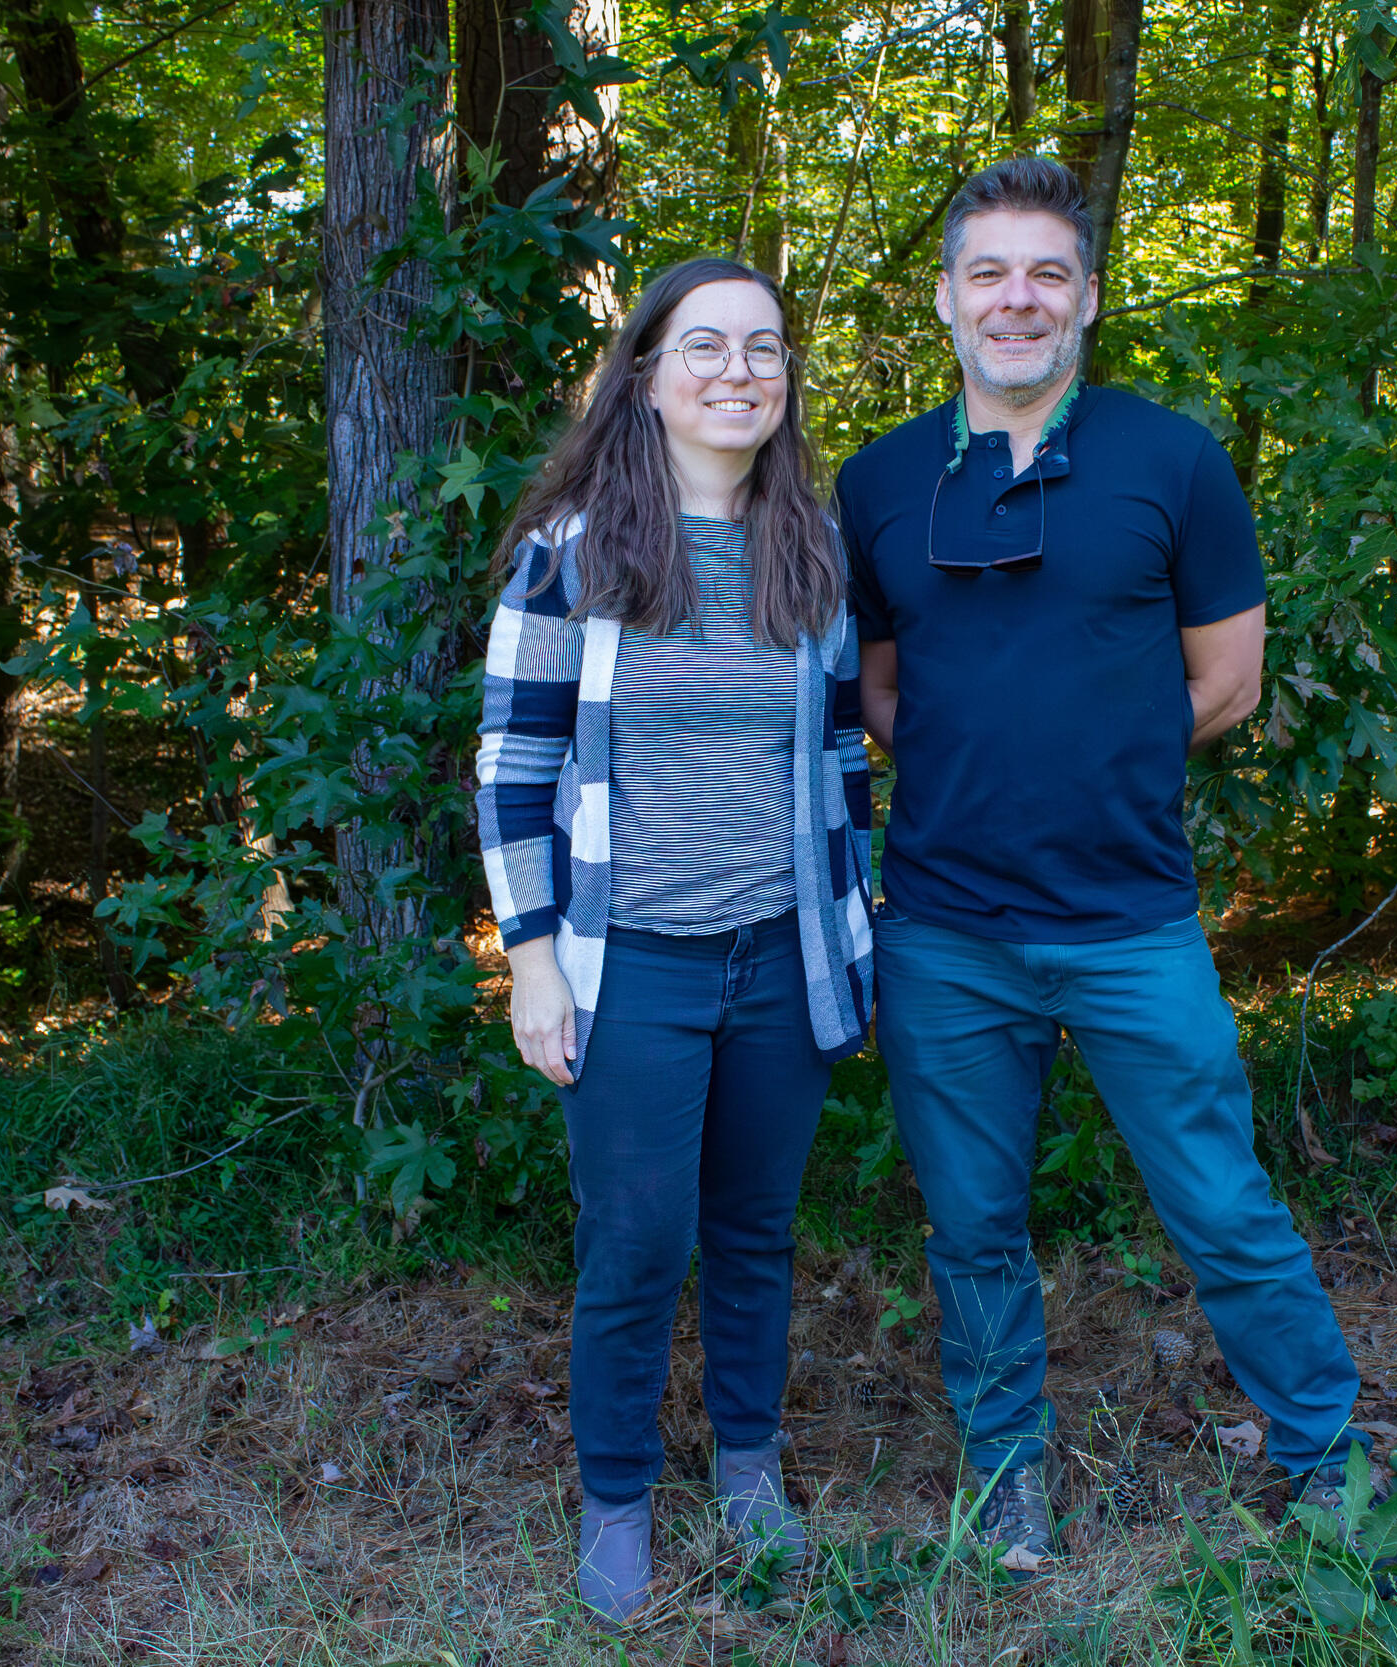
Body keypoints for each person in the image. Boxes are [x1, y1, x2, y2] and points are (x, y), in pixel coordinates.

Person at [833, 156, 1364, 1569]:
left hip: (1132, 921)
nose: (1019, 299)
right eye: (990, 273)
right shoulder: (877, 479)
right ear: (945, 297)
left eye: (1048, 274)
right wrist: (981, 772)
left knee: (1223, 1205)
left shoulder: (1173, 460)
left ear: (1086, 299)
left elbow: (1230, 684)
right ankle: (1008, 1469)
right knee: (974, 1227)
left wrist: (1094, 772)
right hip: (945, 929)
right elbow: (875, 689)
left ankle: (1327, 1459)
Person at [475, 257, 875, 1622]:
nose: (739, 374)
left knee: (757, 1234)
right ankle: (616, 1493)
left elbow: (838, 768)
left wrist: (850, 920)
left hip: (782, 958)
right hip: (628, 960)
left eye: (764, 351)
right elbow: (513, 769)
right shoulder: (572, 554)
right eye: (706, 347)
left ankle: (750, 1469)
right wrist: (533, 957)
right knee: (637, 1240)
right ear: (645, 372)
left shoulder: (810, 549)